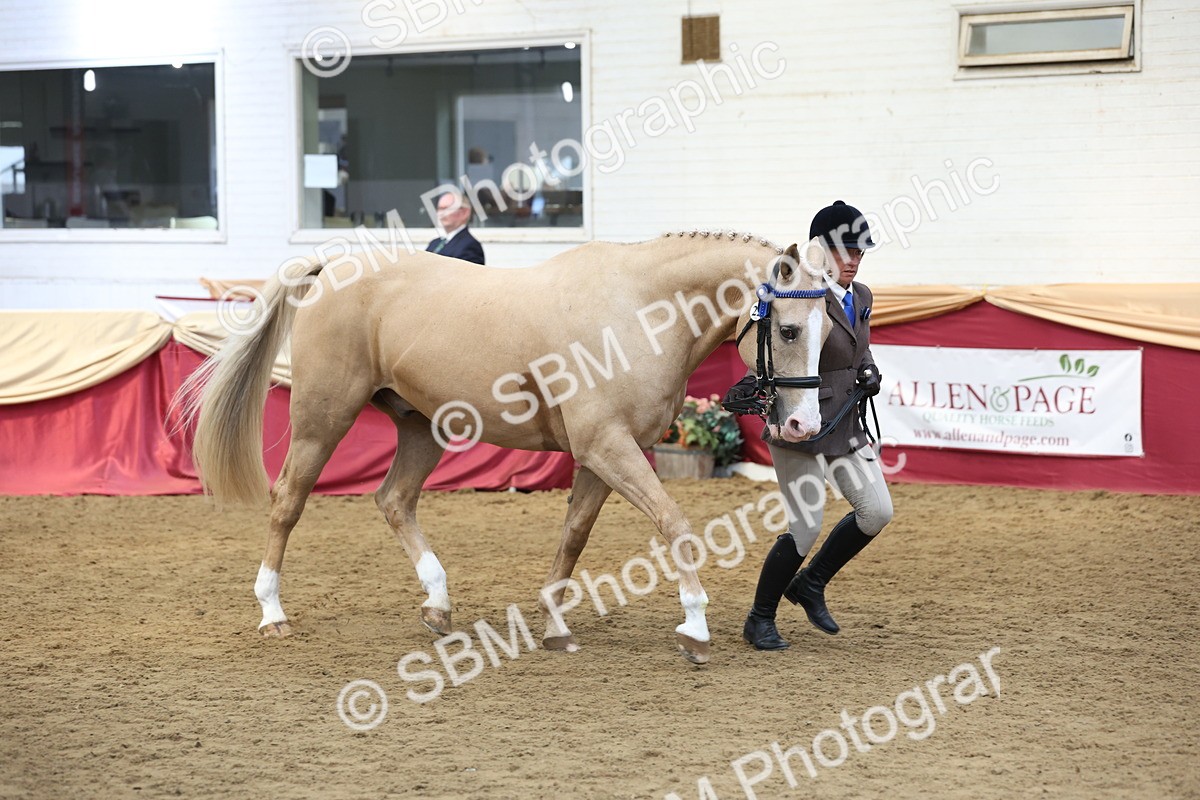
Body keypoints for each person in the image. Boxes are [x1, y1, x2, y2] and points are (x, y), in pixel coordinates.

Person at [733, 200, 893, 651]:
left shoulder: (862, 296)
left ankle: (810, 583)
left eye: (859, 252)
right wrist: (758, 393)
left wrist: (869, 367)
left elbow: (859, 346)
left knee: (877, 511)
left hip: (844, 420)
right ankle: (759, 618)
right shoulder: (797, 294)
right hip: (798, 425)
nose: (853, 260)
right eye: (844, 251)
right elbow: (775, 352)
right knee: (805, 526)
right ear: (820, 250)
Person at [426, 189, 485, 265]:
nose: (441, 213)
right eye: (440, 209)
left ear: (464, 212)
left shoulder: (470, 246)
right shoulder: (434, 243)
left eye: (447, 208)